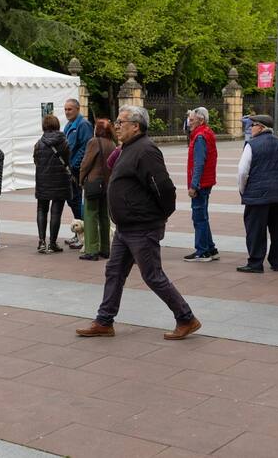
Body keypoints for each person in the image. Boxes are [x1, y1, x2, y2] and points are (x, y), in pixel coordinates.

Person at [75, 105, 201, 340]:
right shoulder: (128, 148)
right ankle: (104, 321)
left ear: (136, 126)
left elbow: (164, 188)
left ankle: (186, 318)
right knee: (114, 272)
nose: (117, 126)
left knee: (153, 275)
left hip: (142, 227)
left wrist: (160, 216)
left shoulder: (146, 150)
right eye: (117, 121)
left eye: (122, 122)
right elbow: (114, 168)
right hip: (125, 227)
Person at [236, 115, 278, 273]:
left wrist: (243, 190)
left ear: (260, 127)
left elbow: (242, 171)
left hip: (257, 195)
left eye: (252, 125)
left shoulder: (251, 145)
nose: (250, 128)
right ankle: (277, 261)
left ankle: (255, 262)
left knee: (255, 230)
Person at [183, 107, 220, 262]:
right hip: (206, 181)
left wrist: (194, 185)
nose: (188, 123)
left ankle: (202, 251)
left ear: (201, 120)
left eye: (192, 120)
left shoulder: (199, 137)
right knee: (202, 216)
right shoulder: (206, 133)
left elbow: (199, 164)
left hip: (201, 183)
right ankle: (210, 248)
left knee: (199, 217)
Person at [78, 119, 116, 261]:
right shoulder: (112, 143)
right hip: (107, 184)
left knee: (90, 216)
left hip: (94, 183)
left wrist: (81, 180)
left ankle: (92, 249)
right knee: (104, 216)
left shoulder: (94, 142)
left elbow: (86, 163)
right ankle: (105, 248)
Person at [33, 114, 72, 253]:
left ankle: (41, 242)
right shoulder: (64, 142)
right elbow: (68, 161)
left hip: (43, 180)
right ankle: (53, 243)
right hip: (60, 180)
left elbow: (36, 161)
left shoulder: (39, 143)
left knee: (41, 210)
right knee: (56, 213)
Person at [63, 98, 93, 248]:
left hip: (76, 170)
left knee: (76, 201)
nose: (67, 112)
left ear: (77, 109)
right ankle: (78, 233)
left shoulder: (83, 125)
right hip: (69, 169)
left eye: (70, 109)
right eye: (66, 109)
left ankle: (84, 235)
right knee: (72, 200)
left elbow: (86, 147)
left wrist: (75, 164)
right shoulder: (69, 125)